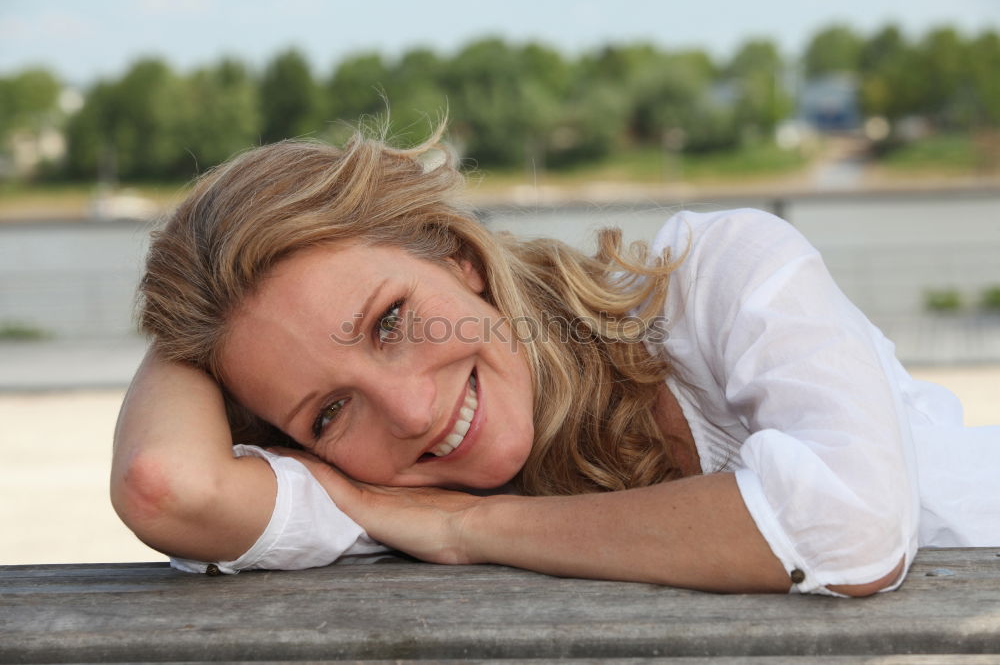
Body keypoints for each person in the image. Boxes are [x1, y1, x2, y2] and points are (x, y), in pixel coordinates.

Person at [111, 127, 1000, 597]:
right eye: (327, 412)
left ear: (459, 258)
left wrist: (472, 532)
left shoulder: (722, 279)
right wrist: (198, 328)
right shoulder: (380, 490)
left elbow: (851, 535)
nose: (411, 414)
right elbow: (166, 484)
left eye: (390, 322)